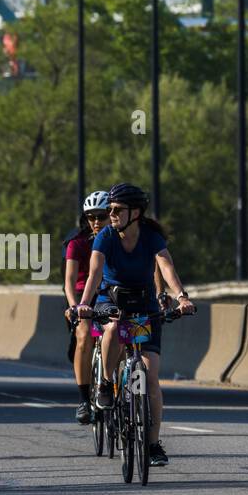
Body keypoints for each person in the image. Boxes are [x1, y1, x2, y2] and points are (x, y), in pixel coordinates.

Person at [76, 183, 196, 467]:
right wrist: (84, 303)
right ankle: (106, 383)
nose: (111, 214)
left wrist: (181, 297)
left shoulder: (151, 236)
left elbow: (166, 266)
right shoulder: (104, 237)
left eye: (117, 210)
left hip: (144, 304)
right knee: (112, 328)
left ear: (136, 212)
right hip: (111, 300)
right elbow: (94, 274)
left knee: (151, 376)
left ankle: (153, 444)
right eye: (110, 210)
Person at [64, 190, 110, 425]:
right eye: (91, 217)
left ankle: (114, 389)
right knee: (84, 336)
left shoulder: (118, 240)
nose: (96, 222)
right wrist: (75, 306)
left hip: (111, 296)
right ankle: (84, 400)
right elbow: (69, 281)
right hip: (85, 300)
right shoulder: (77, 243)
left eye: (101, 217)